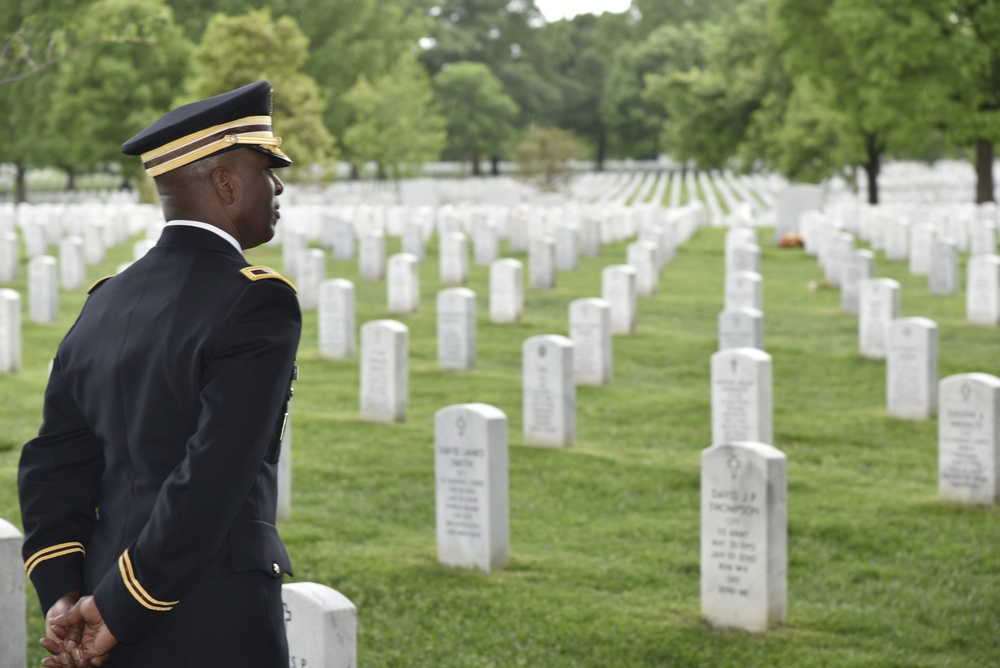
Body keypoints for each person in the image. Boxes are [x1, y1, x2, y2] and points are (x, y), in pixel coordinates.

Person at [18, 80, 302, 667]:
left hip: (96, 599)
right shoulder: (255, 300)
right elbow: (213, 473)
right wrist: (125, 605)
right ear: (225, 182)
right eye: (267, 170)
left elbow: (53, 463)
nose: (278, 186)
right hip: (209, 612)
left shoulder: (105, 300)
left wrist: (66, 593)